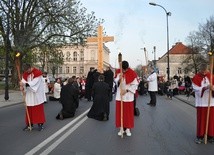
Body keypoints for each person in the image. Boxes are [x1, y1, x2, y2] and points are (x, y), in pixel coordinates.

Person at [115, 60, 138, 137]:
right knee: (120, 113)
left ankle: (128, 128)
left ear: (127, 68)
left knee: (128, 113)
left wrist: (127, 90)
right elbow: (115, 82)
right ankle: (121, 128)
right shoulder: (119, 72)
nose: (124, 71)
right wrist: (119, 79)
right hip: (120, 96)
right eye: (123, 69)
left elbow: (135, 85)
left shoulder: (132, 73)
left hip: (128, 96)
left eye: (125, 70)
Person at [19, 63, 46, 131]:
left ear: (30, 67)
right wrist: (21, 86)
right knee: (29, 110)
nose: (27, 72)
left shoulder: (37, 73)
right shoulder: (25, 74)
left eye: (28, 70)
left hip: (36, 95)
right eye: (26, 71)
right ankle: (29, 124)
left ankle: (40, 124)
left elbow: (34, 84)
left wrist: (24, 84)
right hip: (29, 95)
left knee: (38, 110)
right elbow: (23, 81)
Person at [192, 63, 214, 144]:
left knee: (211, 120)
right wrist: (205, 87)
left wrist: (212, 88)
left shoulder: (211, 76)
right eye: (203, 72)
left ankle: (210, 136)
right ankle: (200, 136)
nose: (204, 73)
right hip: (201, 103)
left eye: (205, 71)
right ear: (200, 70)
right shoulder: (196, 77)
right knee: (201, 120)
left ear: (207, 70)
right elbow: (196, 89)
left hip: (210, 102)